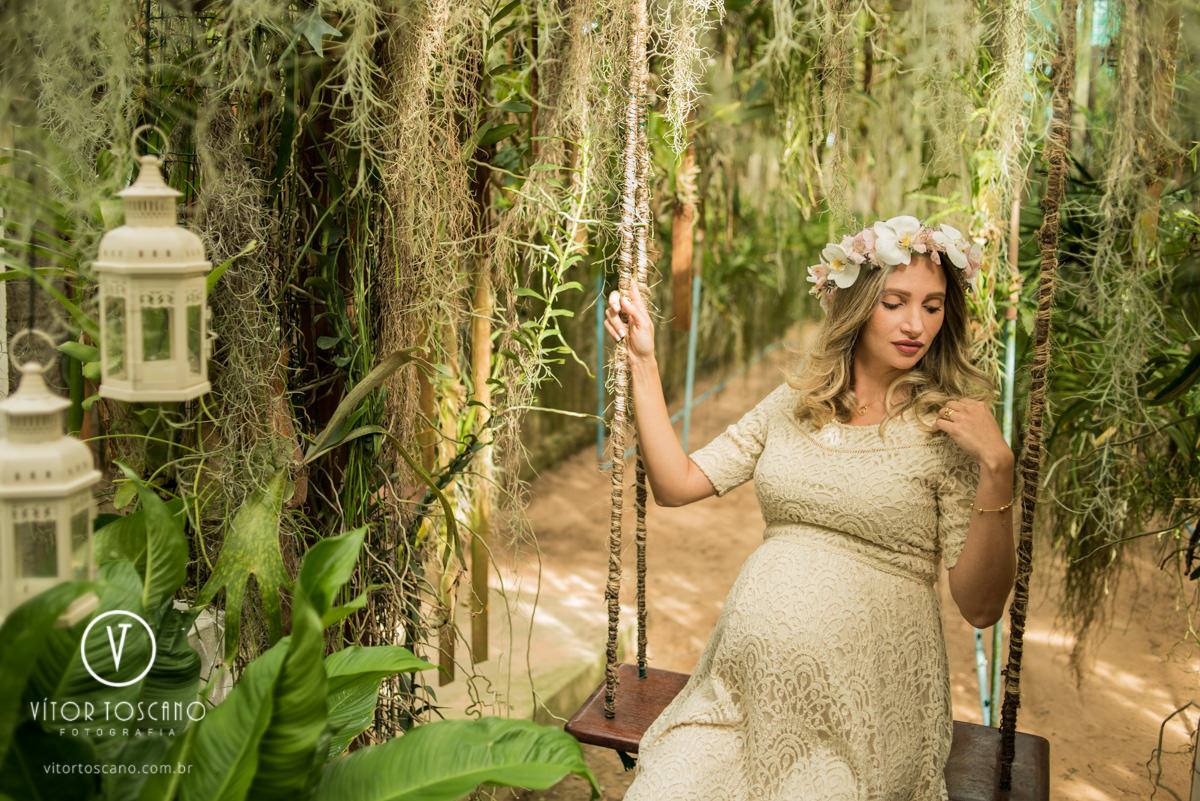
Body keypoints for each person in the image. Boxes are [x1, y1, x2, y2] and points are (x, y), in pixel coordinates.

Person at [602, 216, 1017, 800]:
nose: (914, 324)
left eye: (932, 306)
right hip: (739, 699)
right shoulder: (797, 403)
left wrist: (999, 470)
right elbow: (677, 483)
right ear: (857, 306)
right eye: (895, 303)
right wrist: (643, 361)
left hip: (866, 709)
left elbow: (980, 606)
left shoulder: (948, 428)